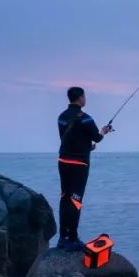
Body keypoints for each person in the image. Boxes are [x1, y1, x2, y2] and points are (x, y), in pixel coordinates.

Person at [57, 87, 111, 251]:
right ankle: (73, 238)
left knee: (65, 198)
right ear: (80, 98)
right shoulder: (86, 118)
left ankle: (62, 237)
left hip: (63, 161)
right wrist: (103, 131)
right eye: (84, 96)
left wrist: (87, 147)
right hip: (79, 164)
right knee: (76, 201)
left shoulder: (61, 117)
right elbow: (97, 137)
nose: (85, 99)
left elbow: (69, 139)